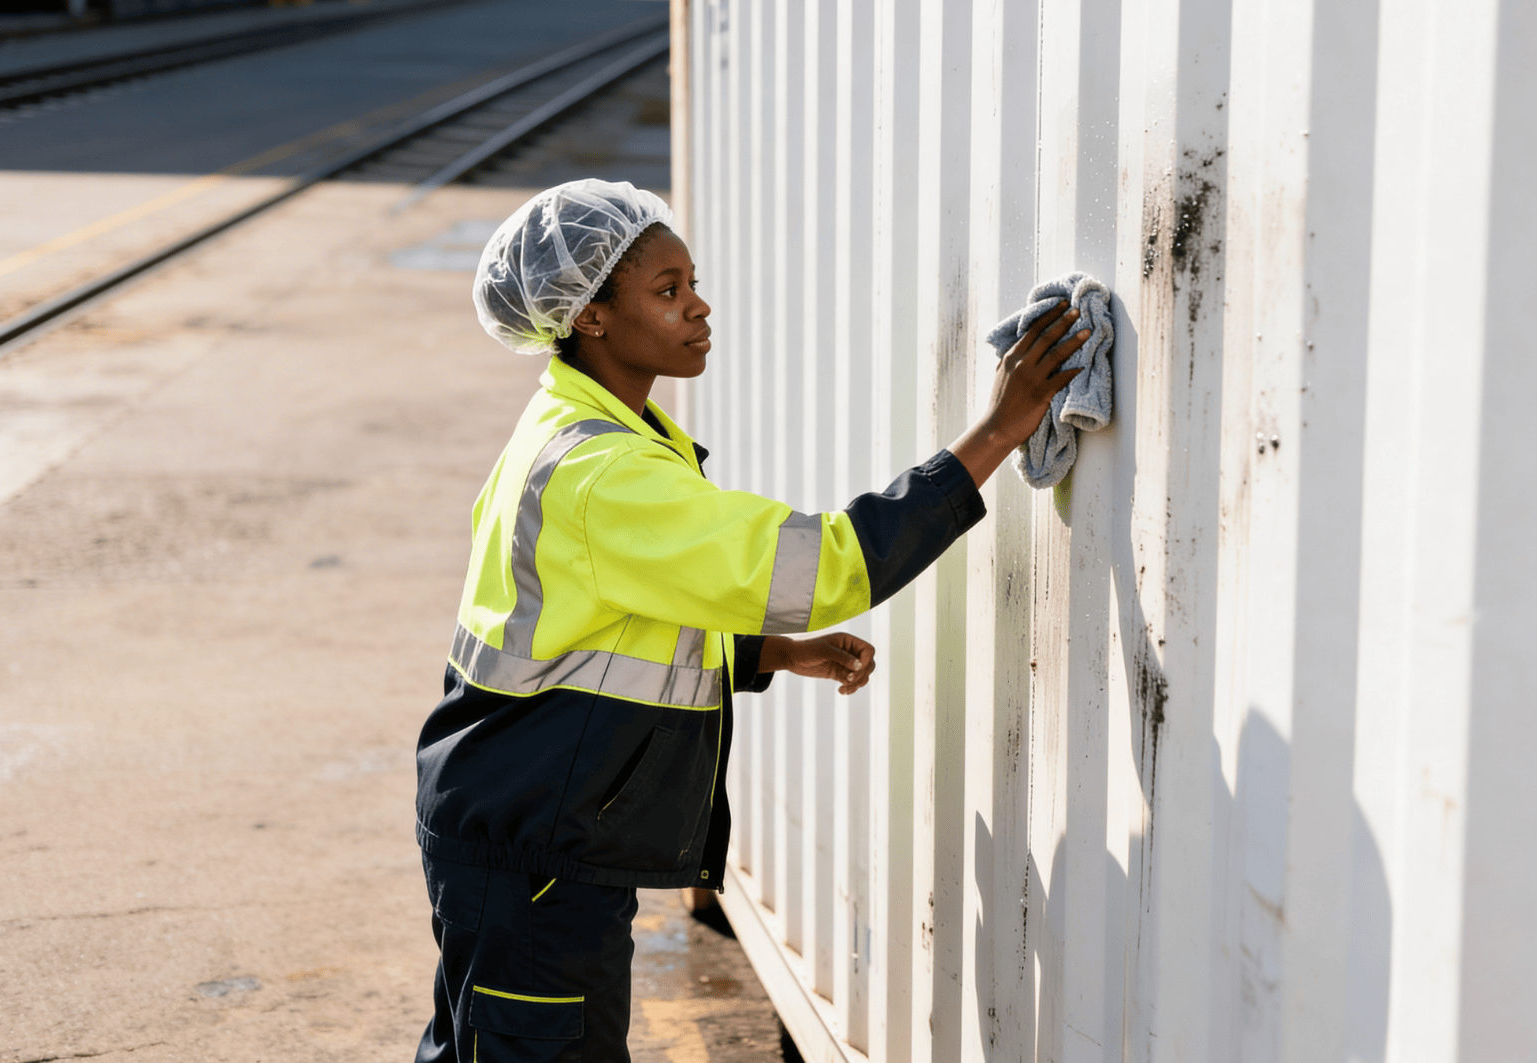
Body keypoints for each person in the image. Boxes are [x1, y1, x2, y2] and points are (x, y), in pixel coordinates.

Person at [413, 179, 1087, 1063]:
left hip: (512, 828)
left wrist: (769, 651)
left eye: (691, 281)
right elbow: (832, 562)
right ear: (591, 319)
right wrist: (999, 430)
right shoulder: (604, 474)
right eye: (666, 291)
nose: (697, 307)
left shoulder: (574, 426)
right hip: (533, 851)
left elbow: (591, 626)